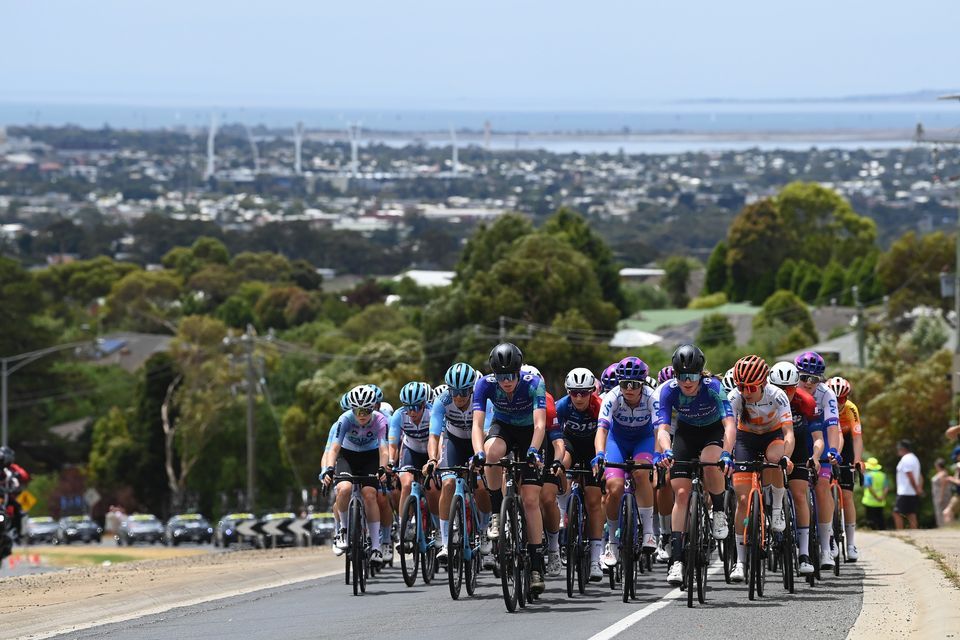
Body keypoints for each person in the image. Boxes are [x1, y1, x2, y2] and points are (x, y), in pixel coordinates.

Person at [470, 342, 549, 595]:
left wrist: (534, 450)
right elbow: (477, 425)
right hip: (503, 427)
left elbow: (539, 425)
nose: (506, 382)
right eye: (501, 376)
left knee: (529, 500)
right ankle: (496, 511)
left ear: (518, 371)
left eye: (510, 376)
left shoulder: (533, 382)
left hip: (530, 434)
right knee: (492, 452)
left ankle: (536, 565)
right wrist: (478, 453)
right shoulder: (484, 384)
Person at [655, 344, 736, 586]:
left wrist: (727, 454)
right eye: (681, 376)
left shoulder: (714, 388)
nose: (686, 382)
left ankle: (719, 509)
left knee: (710, 462)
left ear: (700, 373)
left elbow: (729, 424)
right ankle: (677, 560)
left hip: (713, 431)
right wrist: (666, 450)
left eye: (691, 376)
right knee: (680, 493)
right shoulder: (668, 391)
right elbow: (663, 428)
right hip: (686, 434)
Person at [727, 355, 794, 583]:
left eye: (751, 387)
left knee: (774, 459)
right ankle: (740, 561)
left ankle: (776, 510)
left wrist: (786, 456)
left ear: (763, 383)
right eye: (741, 386)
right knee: (742, 500)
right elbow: (728, 429)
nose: (746, 391)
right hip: (745, 438)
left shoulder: (777, 395)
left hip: (772, 436)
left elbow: (789, 433)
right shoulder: (735, 396)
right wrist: (726, 455)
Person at [593, 357, 659, 570]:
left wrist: (658, 456)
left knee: (641, 474)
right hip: (617, 442)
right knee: (615, 487)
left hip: (644, 441)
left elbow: (660, 430)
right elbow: (602, 429)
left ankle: (649, 533)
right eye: (624, 385)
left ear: (643, 384)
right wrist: (600, 454)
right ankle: (612, 542)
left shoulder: (652, 397)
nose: (629, 389)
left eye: (635, 385)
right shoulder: (611, 397)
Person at [429, 362, 494, 568]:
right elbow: (433, 435)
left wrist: (480, 456)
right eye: (455, 391)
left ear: (472, 388)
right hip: (454, 441)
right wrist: (432, 459)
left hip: (478, 442)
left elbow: (485, 431)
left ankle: (484, 531)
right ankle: (446, 543)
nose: (459, 397)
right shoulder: (442, 401)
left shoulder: (482, 399)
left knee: (482, 487)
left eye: (464, 391)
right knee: (447, 485)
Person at [320, 385, 390, 566]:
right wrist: (328, 468)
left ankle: (375, 546)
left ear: (373, 407)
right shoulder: (344, 419)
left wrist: (383, 468)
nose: (362, 414)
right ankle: (343, 530)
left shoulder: (380, 420)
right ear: (352, 409)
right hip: (348, 456)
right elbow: (334, 448)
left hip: (370, 456)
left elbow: (384, 449)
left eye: (367, 409)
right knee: (344, 489)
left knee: (370, 494)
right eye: (358, 410)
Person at [768, 360, 824, 576]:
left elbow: (817, 437)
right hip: (772, 443)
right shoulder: (764, 399)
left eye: (790, 389)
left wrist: (816, 456)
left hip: (798, 446)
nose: (785, 393)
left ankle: (804, 553)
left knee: (800, 495)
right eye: (780, 389)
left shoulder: (807, 402)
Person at [556, 367, 604, 581]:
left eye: (584, 392)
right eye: (574, 392)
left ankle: (595, 560)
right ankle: (562, 509)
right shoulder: (562, 406)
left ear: (592, 392)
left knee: (594, 501)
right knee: (561, 463)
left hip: (594, 448)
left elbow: (607, 434)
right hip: (571, 445)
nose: (578, 397)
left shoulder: (600, 406)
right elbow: (554, 436)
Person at [795, 351, 842, 570]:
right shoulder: (788, 390)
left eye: (814, 379)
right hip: (796, 439)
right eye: (803, 377)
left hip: (819, 439)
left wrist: (832, 450)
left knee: (823, 487)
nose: (808, 383)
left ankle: (825, 547)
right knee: (797, 489)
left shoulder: (826, 395)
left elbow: (832, 426)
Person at [827, 376, 863, 561]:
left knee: (847, 497)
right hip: (827, 442)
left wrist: (857, 460)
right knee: (823, 493)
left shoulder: (851, 409)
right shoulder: (823, 403)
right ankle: (829, 540)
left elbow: (857, 438)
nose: (839, 403)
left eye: (842, 399)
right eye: (835, 398)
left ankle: (850, 544)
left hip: (846, 447)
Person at [894, 439, 923, 530]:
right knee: (911, 513)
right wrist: (919, 488)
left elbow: (910, 475)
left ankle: (901, 533)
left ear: (903, 449)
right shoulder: (914, 458)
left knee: (897, 513)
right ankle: (914, 533)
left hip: (905, 491)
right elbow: (920, 476)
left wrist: (916, 488)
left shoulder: (906, 459)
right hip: (911, 491)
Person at [862, 457, 889, 530]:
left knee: (870, 519)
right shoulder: (883, 475)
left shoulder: (868, 475)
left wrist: (876, 497)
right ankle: (882, 530)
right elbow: (886, 487)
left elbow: (869, 487)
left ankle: (872, 530)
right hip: (880, 501)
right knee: (880, 517)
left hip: (870, 501)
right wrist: (882, 497)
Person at [943, 447, 960, 524]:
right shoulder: (958, 466)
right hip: (957, 494)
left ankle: (950, 531)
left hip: (958, 495)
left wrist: (951, 479)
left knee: (947, 512)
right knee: (948, 512)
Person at [932, 458, 951, 527]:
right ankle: (941, 526)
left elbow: (943, 486)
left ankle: (945, 527)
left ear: (938, 465)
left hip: (942, 496)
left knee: (942, 512)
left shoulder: (943, 473)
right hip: (937, 495)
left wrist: (941, 497)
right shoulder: (940, 473)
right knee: (938, 512)